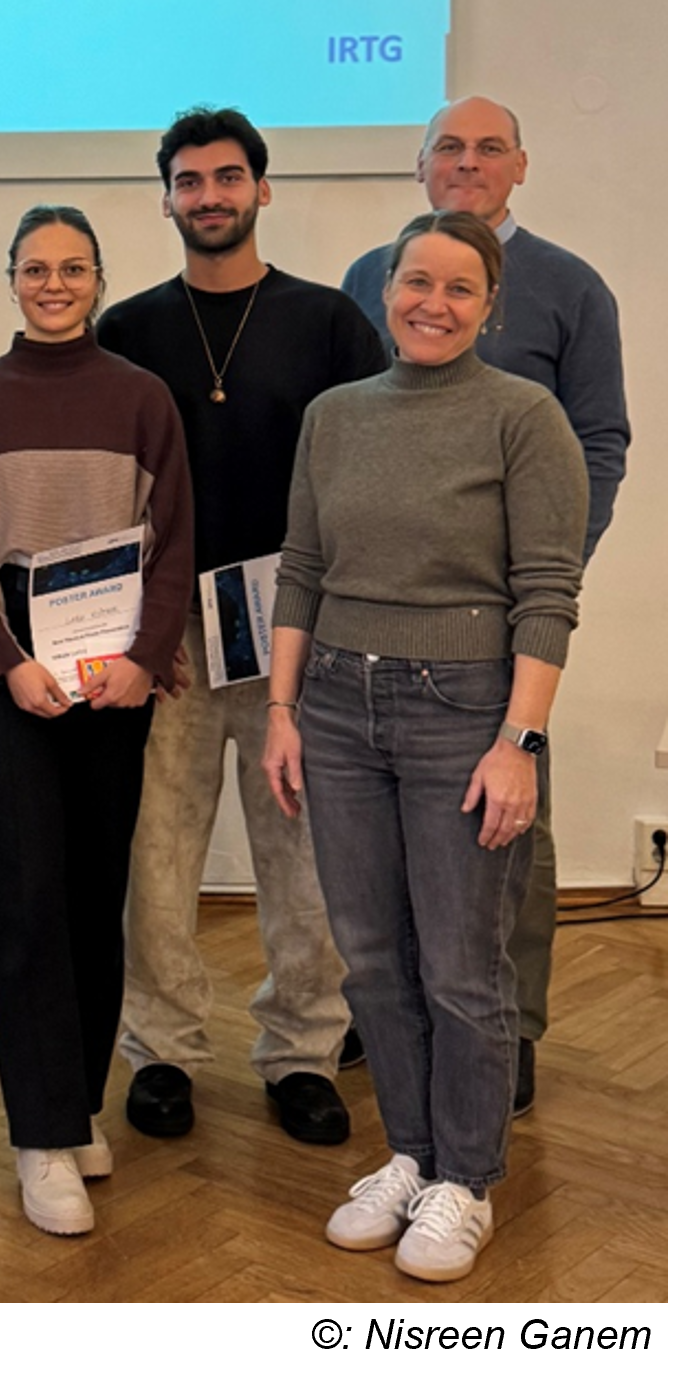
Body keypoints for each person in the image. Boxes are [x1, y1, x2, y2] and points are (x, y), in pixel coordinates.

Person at [264, 211, 585, 1283]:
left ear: (489, 308)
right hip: (334, 709)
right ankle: (408, 1154)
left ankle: (466, 1180)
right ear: (385, 290)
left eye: (458, 288)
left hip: (464, 714)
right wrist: (280, 711)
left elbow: (547, 593)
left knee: (459, 966)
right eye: (415, 281)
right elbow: (301, 569)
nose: (431, 304)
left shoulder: (523, 417)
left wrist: (518, 742)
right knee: (369, 958)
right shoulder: (333, 416)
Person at [97, 108, 385, 1146]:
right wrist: (129, 636)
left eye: (226, 177)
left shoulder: (328, 323)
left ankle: (302, 1050)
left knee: (303, 859)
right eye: (188, 180)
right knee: (156, 855)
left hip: (291, 633)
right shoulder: (126, 329)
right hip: (164, 635)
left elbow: (363, 476)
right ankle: (162, 1050)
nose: (208, 196)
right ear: (166, 199)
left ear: (261, 188)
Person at [341, 97, 628, 1114]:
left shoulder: (570, 287)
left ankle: (507, 1029)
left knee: (505, 821)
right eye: (449, 148)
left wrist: (545, 573)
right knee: (386, 823)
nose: (468, 163)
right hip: (378, 623)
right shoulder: (366, 277)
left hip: (503, 617)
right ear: (419, 165)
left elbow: (600, 441)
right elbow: (350, 432)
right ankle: (400, 1016)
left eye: (488, 148)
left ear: (520, 166)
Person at [0, 205, 192, 1236]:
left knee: (92, 890)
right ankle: (37, 1137)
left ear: (97, 280)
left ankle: (77, 1103)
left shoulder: (142, 398)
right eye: (34, 269)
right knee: (24, 894)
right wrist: (8, 666)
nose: (53, 284)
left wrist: (142, 659)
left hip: (112, 675)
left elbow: (172, 539)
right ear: (11, 279)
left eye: (72, 268)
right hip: (14, 677)